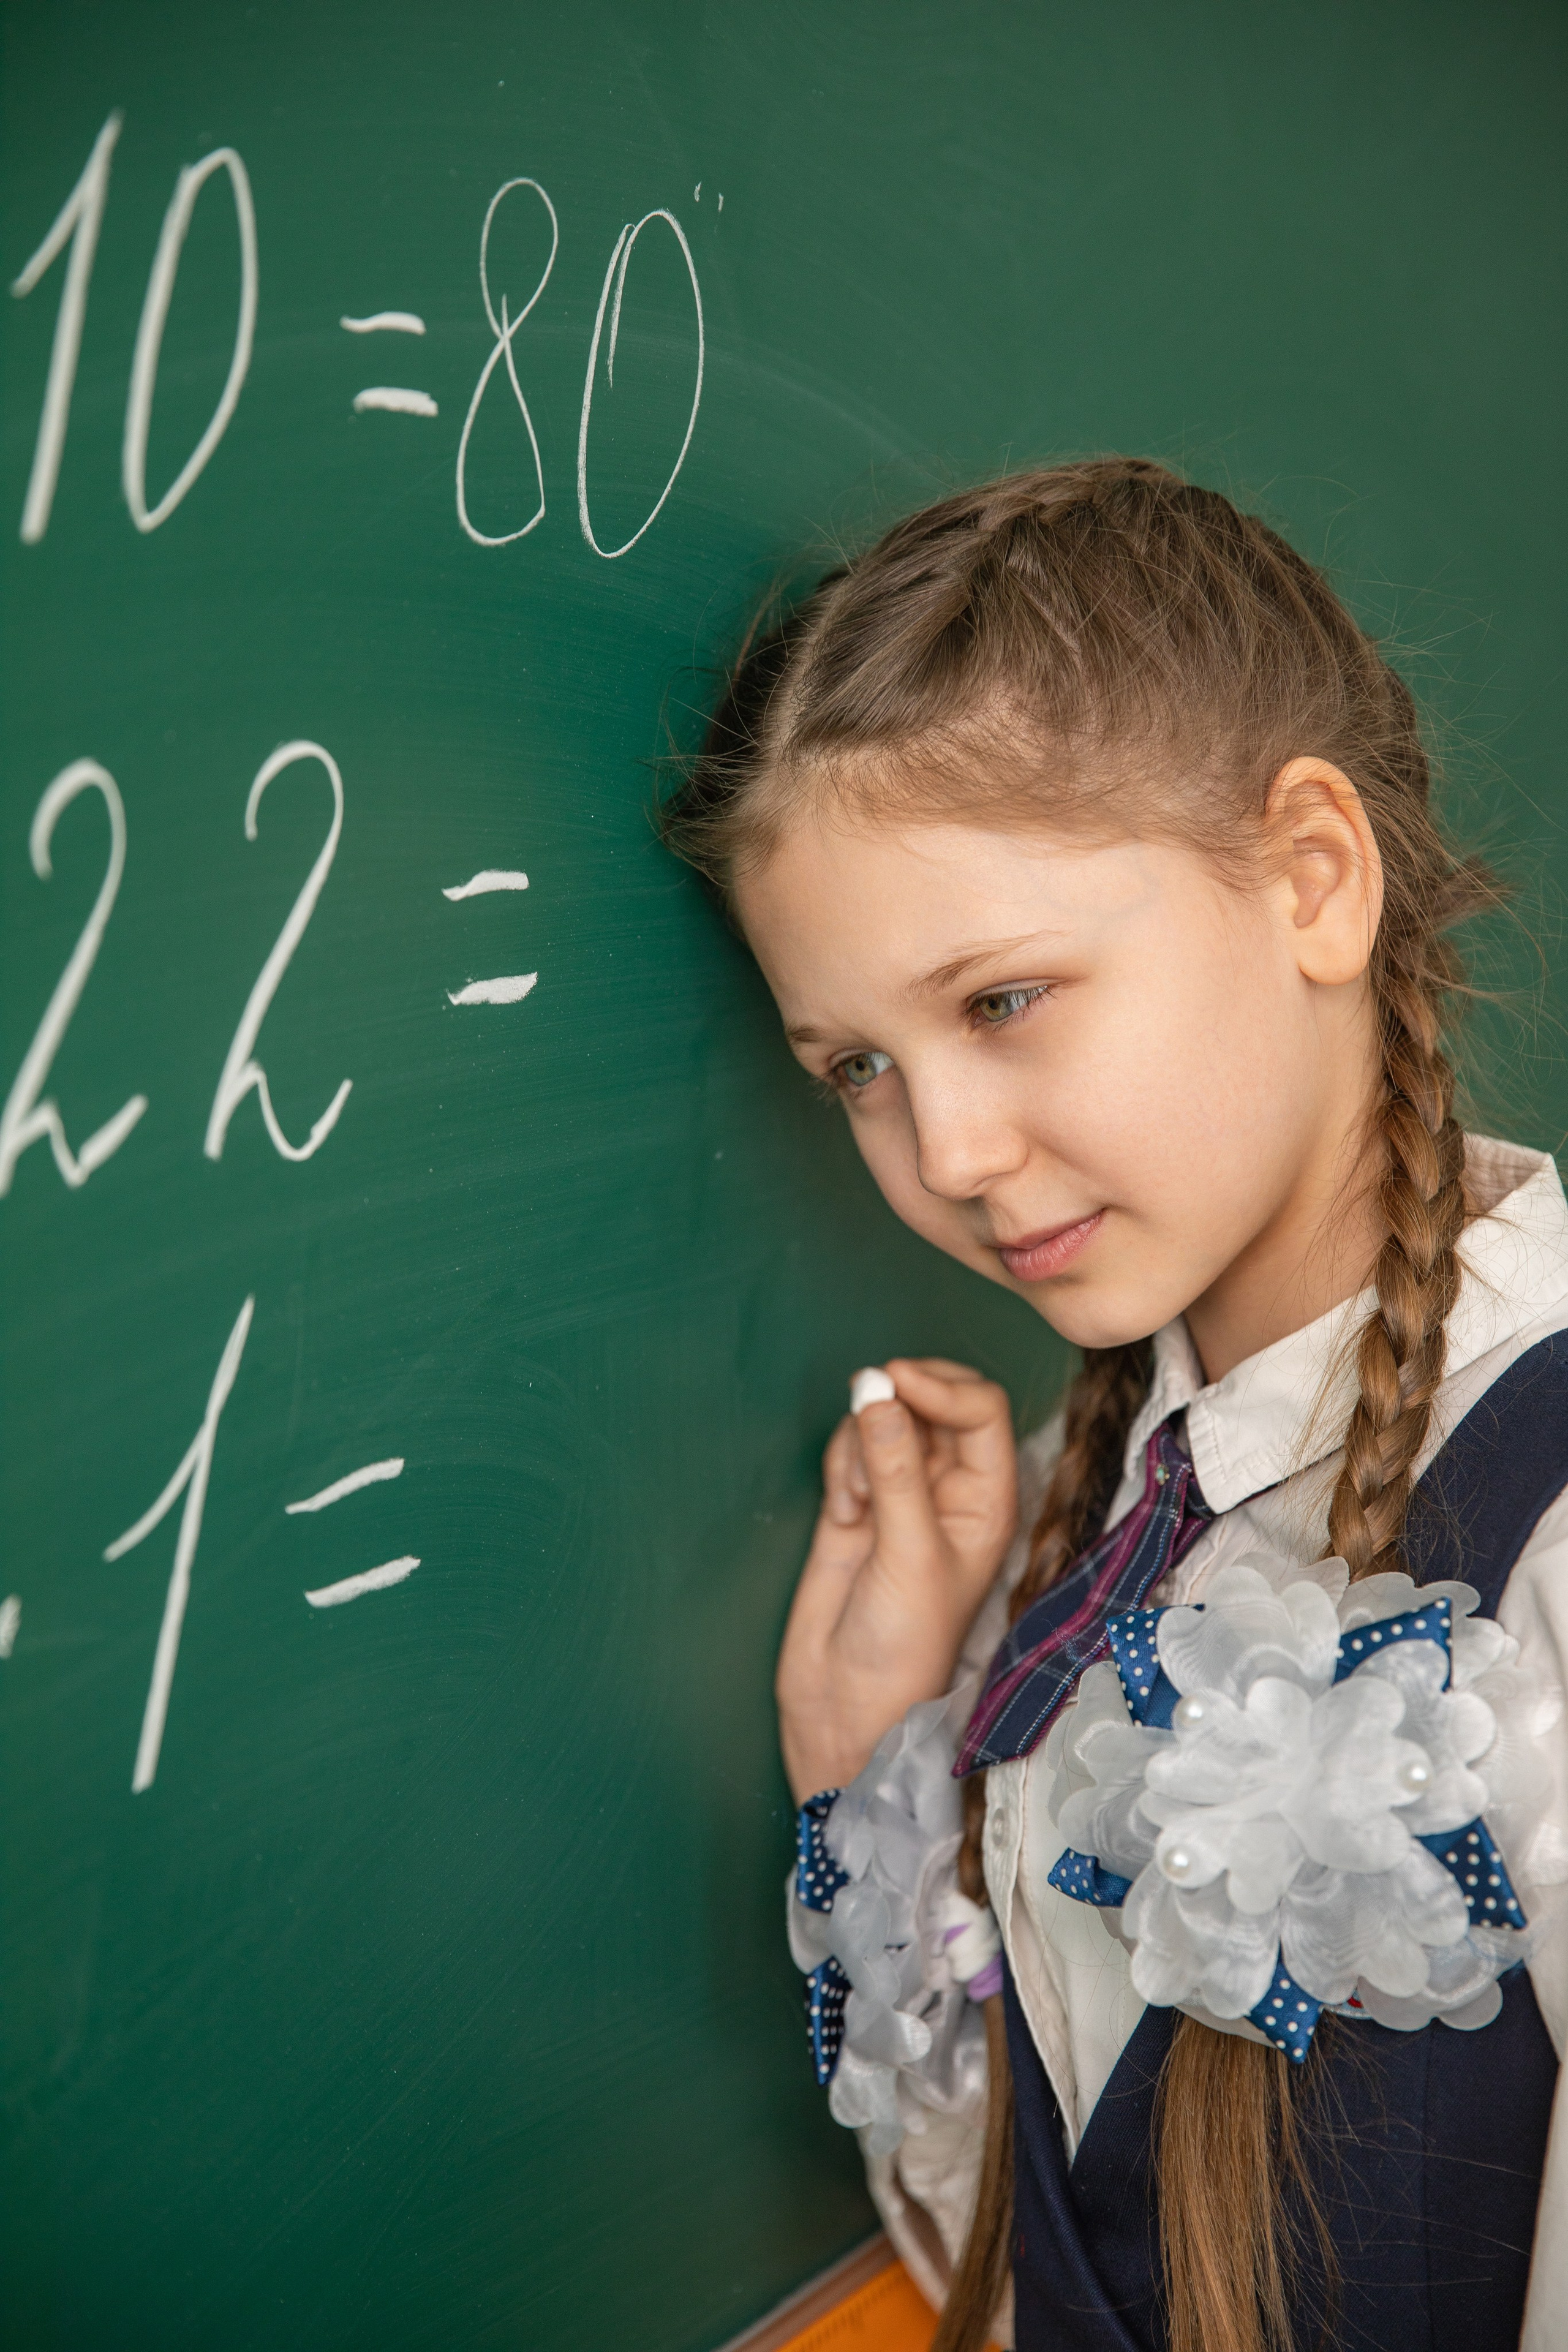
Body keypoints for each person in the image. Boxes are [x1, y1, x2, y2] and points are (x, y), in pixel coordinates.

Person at [659, 460, 1568, 2352]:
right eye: (854, 1068)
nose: (949, 1155)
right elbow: (1040, 2267)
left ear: (1312, 877)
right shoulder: (1106, 1529)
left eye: (1000, 1000)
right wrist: (870, 1749)